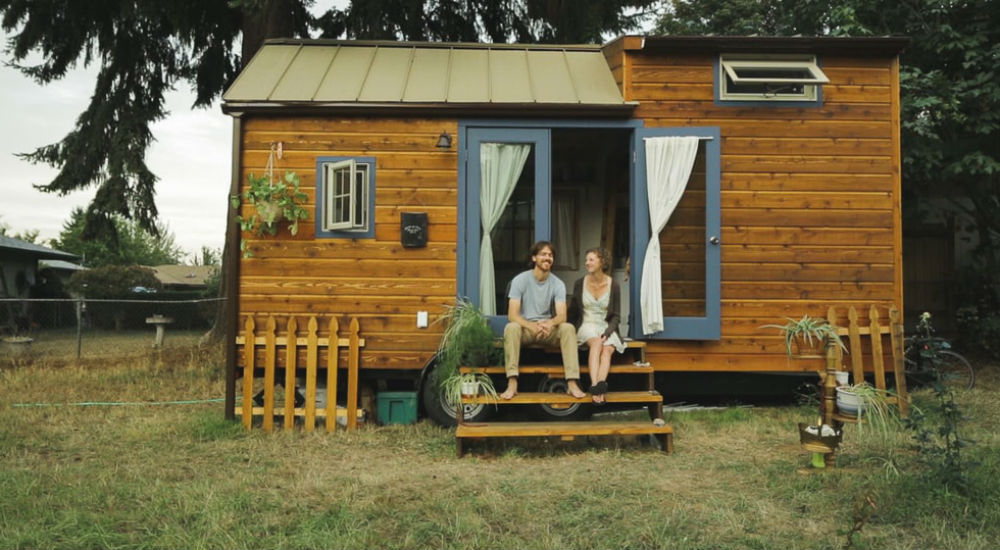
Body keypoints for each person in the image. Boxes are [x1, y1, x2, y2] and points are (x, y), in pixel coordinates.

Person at [501, 241, 587, 400]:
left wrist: (549, 324)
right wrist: (531, 326)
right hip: (526, 329)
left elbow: (562, 316)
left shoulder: (557, 284)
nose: (547, 258)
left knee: (567, 328)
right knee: (511, 328)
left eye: (550, 255)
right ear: (534, 258)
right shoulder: (520, 280)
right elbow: (512, 314)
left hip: (547, 330)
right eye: (543, 254)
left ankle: (572, 382)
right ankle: (512, 381)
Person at [569, 247, 625, 405]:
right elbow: (573, 311)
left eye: (591, 259)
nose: (587, 263)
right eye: (586, 260)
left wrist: (608, 333)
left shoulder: (614, 285)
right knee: (596, 342)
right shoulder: (580, 283)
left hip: (606, 326)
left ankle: (599, 388)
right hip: (587, 325)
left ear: (602, 262)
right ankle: (595, 384)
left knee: (607, 350)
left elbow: (616, 316)